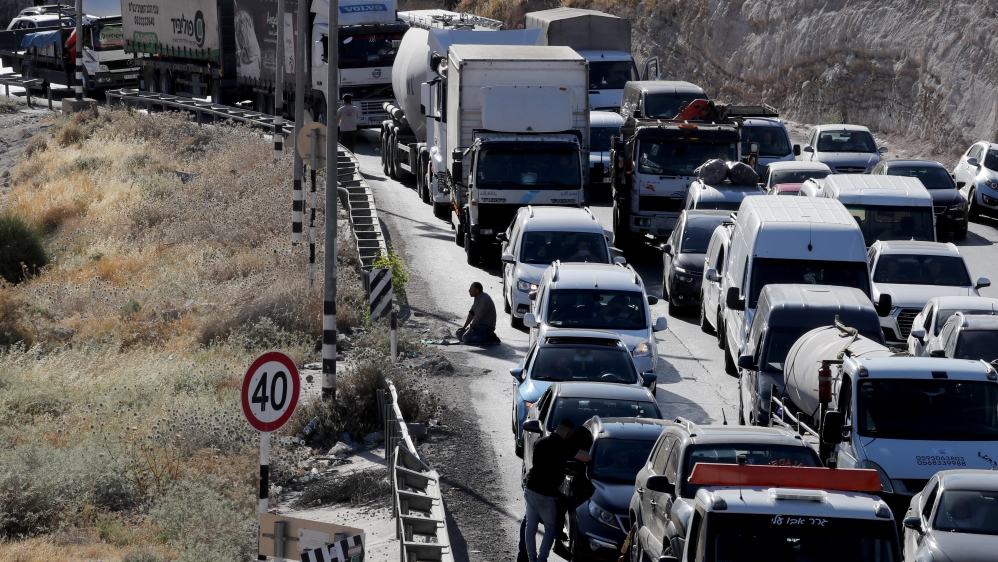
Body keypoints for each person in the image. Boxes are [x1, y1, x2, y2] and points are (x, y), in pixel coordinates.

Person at [520, 419, 592, 562]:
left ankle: (532, 558)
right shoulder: (564, 446)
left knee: (531, 526)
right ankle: (542, 559)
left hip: (530, 489)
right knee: (551, 528)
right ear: (569, 434)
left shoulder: (540, 442)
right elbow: (587, 457)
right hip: (546, 495)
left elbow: (541, 465)